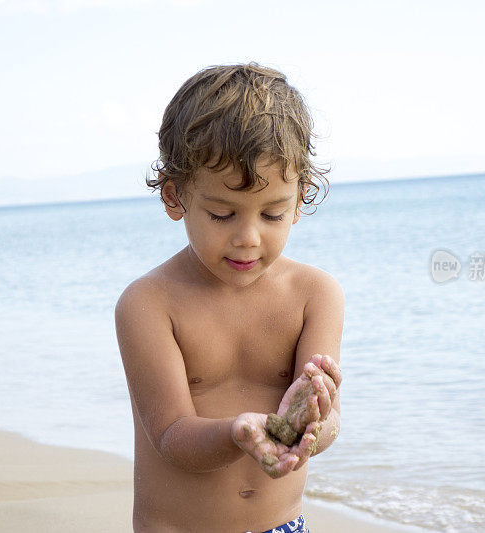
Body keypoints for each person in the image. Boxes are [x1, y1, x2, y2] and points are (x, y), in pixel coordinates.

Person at [115, 63, 344, 533]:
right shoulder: (149, 304)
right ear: (175, 197)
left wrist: (312, 423)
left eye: (272, 214)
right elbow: (171, 435)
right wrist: (237, 432)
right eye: (222, 215)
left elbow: (331, 420)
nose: (248, 238)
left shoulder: (314, 295)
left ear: (301, 199)